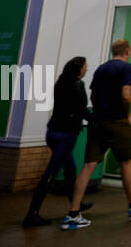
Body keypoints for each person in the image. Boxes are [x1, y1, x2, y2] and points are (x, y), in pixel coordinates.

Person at [62, 40, 131, 229]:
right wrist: (127, 114)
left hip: (98, 122)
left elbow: (93, 95)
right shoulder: (126, 68)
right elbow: (126, 94)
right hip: (118, 122)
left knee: (88, 166)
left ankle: (73, 213)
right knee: (126, 163)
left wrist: (99, 112)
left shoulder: (101, 69)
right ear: (127, 51)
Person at [22, 56, 93, 227]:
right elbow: (81, 109)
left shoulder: (60, 82)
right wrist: (96, 119)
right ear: (78, 69)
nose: (86, 70)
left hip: (53, 132)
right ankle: (32, 213)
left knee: (70, 168)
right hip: (66, 134)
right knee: (51, 173)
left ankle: (75, 203)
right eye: (85, 67)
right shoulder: (77, 85)